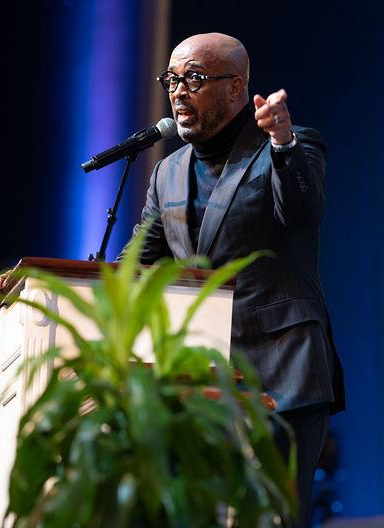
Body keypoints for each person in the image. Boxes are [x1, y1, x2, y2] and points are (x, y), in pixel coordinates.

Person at [125, 32, 345, 528]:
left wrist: (283, 142)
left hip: (282, 373)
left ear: (236, 89)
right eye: (172, 80)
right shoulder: (168, 171)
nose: (179, 91)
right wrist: (64, 292)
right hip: (198, 383)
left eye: (195, 79)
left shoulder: (288, 147)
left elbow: (303, 209)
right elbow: (140, 260)